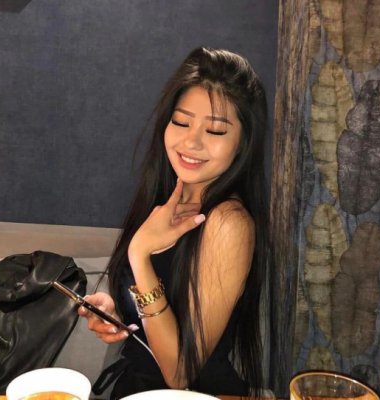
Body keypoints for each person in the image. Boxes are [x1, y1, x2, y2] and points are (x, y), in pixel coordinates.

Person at [79, 47, 271, 398]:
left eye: (215, 130)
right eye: (181, 122)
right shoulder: (168, 196)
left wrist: (139, 254)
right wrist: (117, 312)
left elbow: (180, 372)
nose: (191, 141)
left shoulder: (229, 223)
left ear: (243, 143)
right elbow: (162, 306)